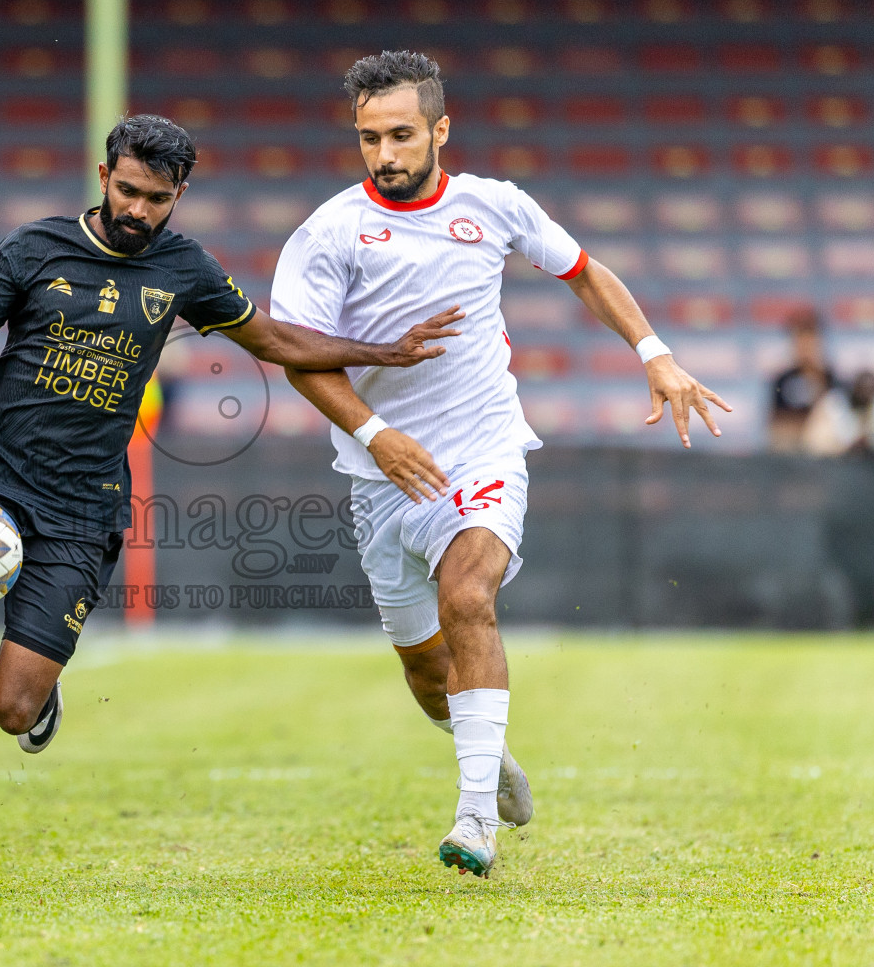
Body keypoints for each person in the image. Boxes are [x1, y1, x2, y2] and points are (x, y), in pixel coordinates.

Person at [0, 114, 463, 894]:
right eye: (126, 191)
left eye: (156, 198)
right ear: (102, 177)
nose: (137, 210)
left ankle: (41, 700)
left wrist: (381, 351)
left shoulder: (185, 268)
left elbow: (276, 343)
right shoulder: (32, 249)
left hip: (81, 508)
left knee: (13, 709)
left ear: (179, 194)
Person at [269, 51, 730, 878]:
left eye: (402, 134)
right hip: (381, 475)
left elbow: (585, 273)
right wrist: (377, 434)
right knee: (423, 669)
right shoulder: (328, 231)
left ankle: (474, 817)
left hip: (481, 451)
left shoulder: (494, 206)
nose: (386, 154)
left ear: (441, 129)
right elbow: (299, 356)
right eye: (370, 138)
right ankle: (492, 758)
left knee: (468, 596)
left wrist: (654, 353)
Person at [803, 370, 874, 627]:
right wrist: (850, 443)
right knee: (842, 566)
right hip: (844, 506)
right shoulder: (835, 406)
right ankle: (842, 618)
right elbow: (814, 444)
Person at [768, 308, 837, 453]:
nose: (804, 347)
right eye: (799, 339)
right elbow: (776, 426)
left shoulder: (831, 379)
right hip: (790, 453)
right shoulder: (782, 380)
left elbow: (838, 425)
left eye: (810, 339)